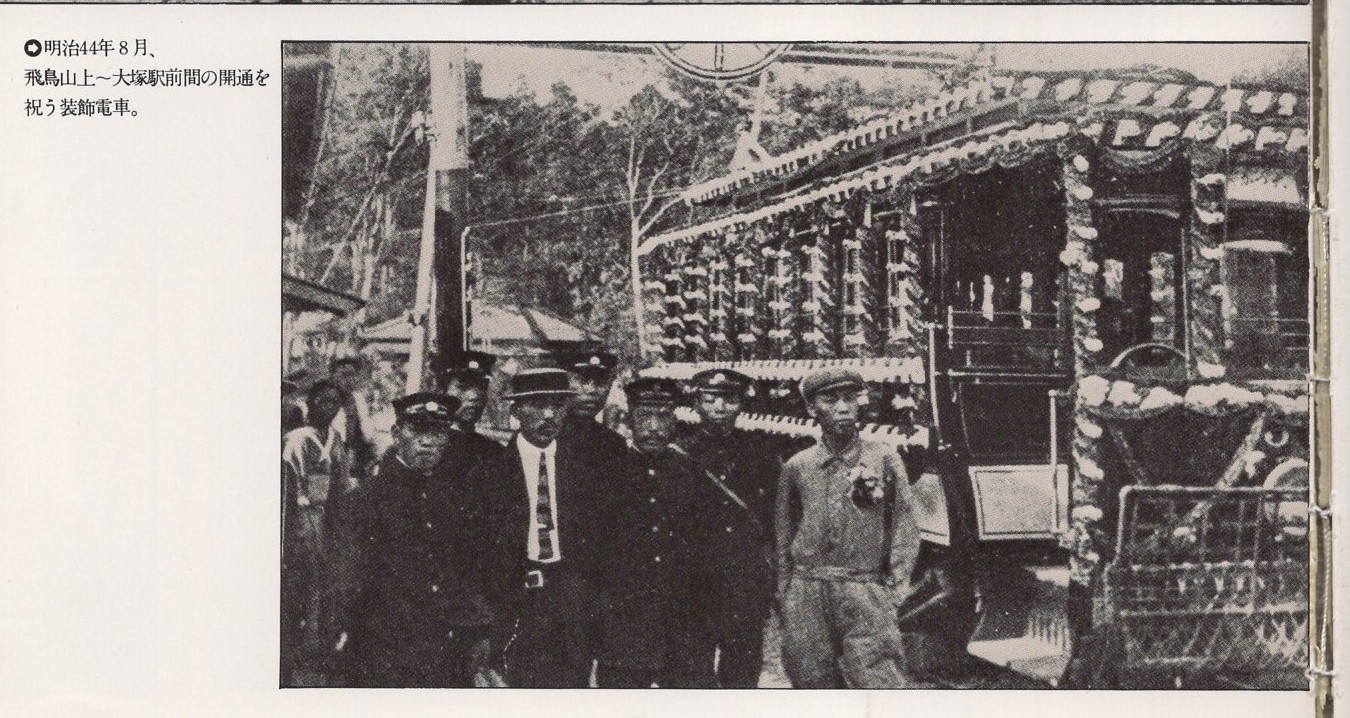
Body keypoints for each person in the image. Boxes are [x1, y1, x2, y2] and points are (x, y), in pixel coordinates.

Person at [329, 392, 515, 687]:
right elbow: (349, 584)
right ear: (396, 433)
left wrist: (480, 632)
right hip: (385, 651)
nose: (428, 441)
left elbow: (470, 572)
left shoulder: (455, 500)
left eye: (438, 431)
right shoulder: (365, 501)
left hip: (449, 649)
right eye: (417, 430)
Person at [774, 367, 922, 688]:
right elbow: (784, 535)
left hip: (864, 588)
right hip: (807, 590)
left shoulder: (884, 459)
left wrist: (895, 591)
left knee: (879, 681)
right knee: (812, 682)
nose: (843, 407)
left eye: (850, 399)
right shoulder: (797, 466)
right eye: (830, 400)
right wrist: (787, 593)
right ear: (812, 409)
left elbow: (904, 527)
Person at [465, 369, 606, 688]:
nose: (548, 415)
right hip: (515, 607)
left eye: (557, 405)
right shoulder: (488, 477)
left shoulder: (583, 475)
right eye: (538, 405)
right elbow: (473, 558)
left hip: (570, 607)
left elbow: (598, 553)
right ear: (515, 411)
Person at [595, 378, 711, 688]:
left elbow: (703, 543)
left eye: (663, 417)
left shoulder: (691, 472)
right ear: (629, 419)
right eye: (644, 416)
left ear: (675, 421)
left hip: (681, 620)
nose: (653, 428)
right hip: (624, 619)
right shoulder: (607, 471)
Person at [670, 369, 780, 688]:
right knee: (693, 672)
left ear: (741, 404)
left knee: (742, 671)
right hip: (695, 581)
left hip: (744, 580)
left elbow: (773, 518)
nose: (720, 406)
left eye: (729, 399)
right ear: (697, 404)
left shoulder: (760, 453)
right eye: (710, 398)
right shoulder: (680, 453)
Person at [281, 380, 353, 686]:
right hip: (302, 518)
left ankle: (319, 643)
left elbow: (341, 483)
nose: (329, 407)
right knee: (302, 579)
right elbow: (290, 487)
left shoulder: (334, 438)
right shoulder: (297, 439)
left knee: (326, 580)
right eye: (323, 401)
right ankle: (298, 647)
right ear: (311, 404)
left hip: (326, 517)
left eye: (335, 402)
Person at [555, 349, 629, 466]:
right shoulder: (546, 438)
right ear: (563, 382)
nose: (592, 390)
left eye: (601, 381)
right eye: (582, 380)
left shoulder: (614, 444)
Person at [438, 349, 504, 473]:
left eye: (481, 387)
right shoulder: (428, 449)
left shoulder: (495, 451)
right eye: (463, 387)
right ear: (442, 391)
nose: (474, 395)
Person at [330, 356, 377, 478]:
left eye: (352, 375)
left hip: (349, 454)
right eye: (344, 375)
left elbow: (367, 432)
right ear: (334, 375)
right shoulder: (326, 396)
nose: (349, 380)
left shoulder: (358, 399)